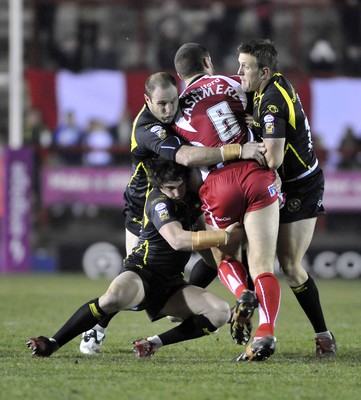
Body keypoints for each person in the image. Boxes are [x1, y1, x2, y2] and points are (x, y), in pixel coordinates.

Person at [79, 71, 261, 355]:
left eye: (172, 102)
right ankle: (98, 327)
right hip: (144, 209)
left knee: (217, 257)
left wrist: (250, 120)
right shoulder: (146, 127)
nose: (167, 110)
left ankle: (183, 302)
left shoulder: (182, 109)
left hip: (185, 201)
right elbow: (187, 156)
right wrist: (241, 150)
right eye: (161, 104)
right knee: (136, 277)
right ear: (147, 101)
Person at [27, 159, 243, 358]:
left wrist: (240, 286)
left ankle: (153, 343)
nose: (176, 193)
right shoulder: (158, 201)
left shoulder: (192, 198)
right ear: (159, 186)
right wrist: (223, 236)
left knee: (220, 312)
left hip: (171, 285)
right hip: (142, 272)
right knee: (113, 299)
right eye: (170, 188)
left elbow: (206, 250)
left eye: (180, 185)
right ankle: (54, 342)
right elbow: (177, 240)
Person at [173, 43, 281, 362]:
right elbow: (261, 107)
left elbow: (183, 158)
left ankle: (240, 294)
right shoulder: (234, 82)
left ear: (180, 75)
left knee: (224, 257)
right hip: (255, 171)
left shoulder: (176, 109)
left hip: (217, 184)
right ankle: (266, 331)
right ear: (207, 61)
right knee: (263, 264)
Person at [236, 39, 337, 359]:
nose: (239, 72)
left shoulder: (273, 100)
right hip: (279, 184)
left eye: (245, 67)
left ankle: (324, 336)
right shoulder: (268, 86)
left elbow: (275, 158)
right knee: (250, 252)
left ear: (264, 71)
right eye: (238, 64)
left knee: (290, 266)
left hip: (300, 186)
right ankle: (255, 321)